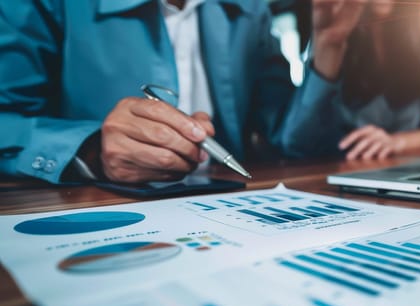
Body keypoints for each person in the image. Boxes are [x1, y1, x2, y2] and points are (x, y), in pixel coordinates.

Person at [0, 0, 366, 184]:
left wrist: (330, 45)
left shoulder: (252, 10)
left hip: (227, 215)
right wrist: (90, 150)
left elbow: (293, 143)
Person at [335, 0, 420, 160]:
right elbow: (301, 141)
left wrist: (396, 142)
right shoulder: (332, 43)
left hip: (410, 167)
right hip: (342, 166)